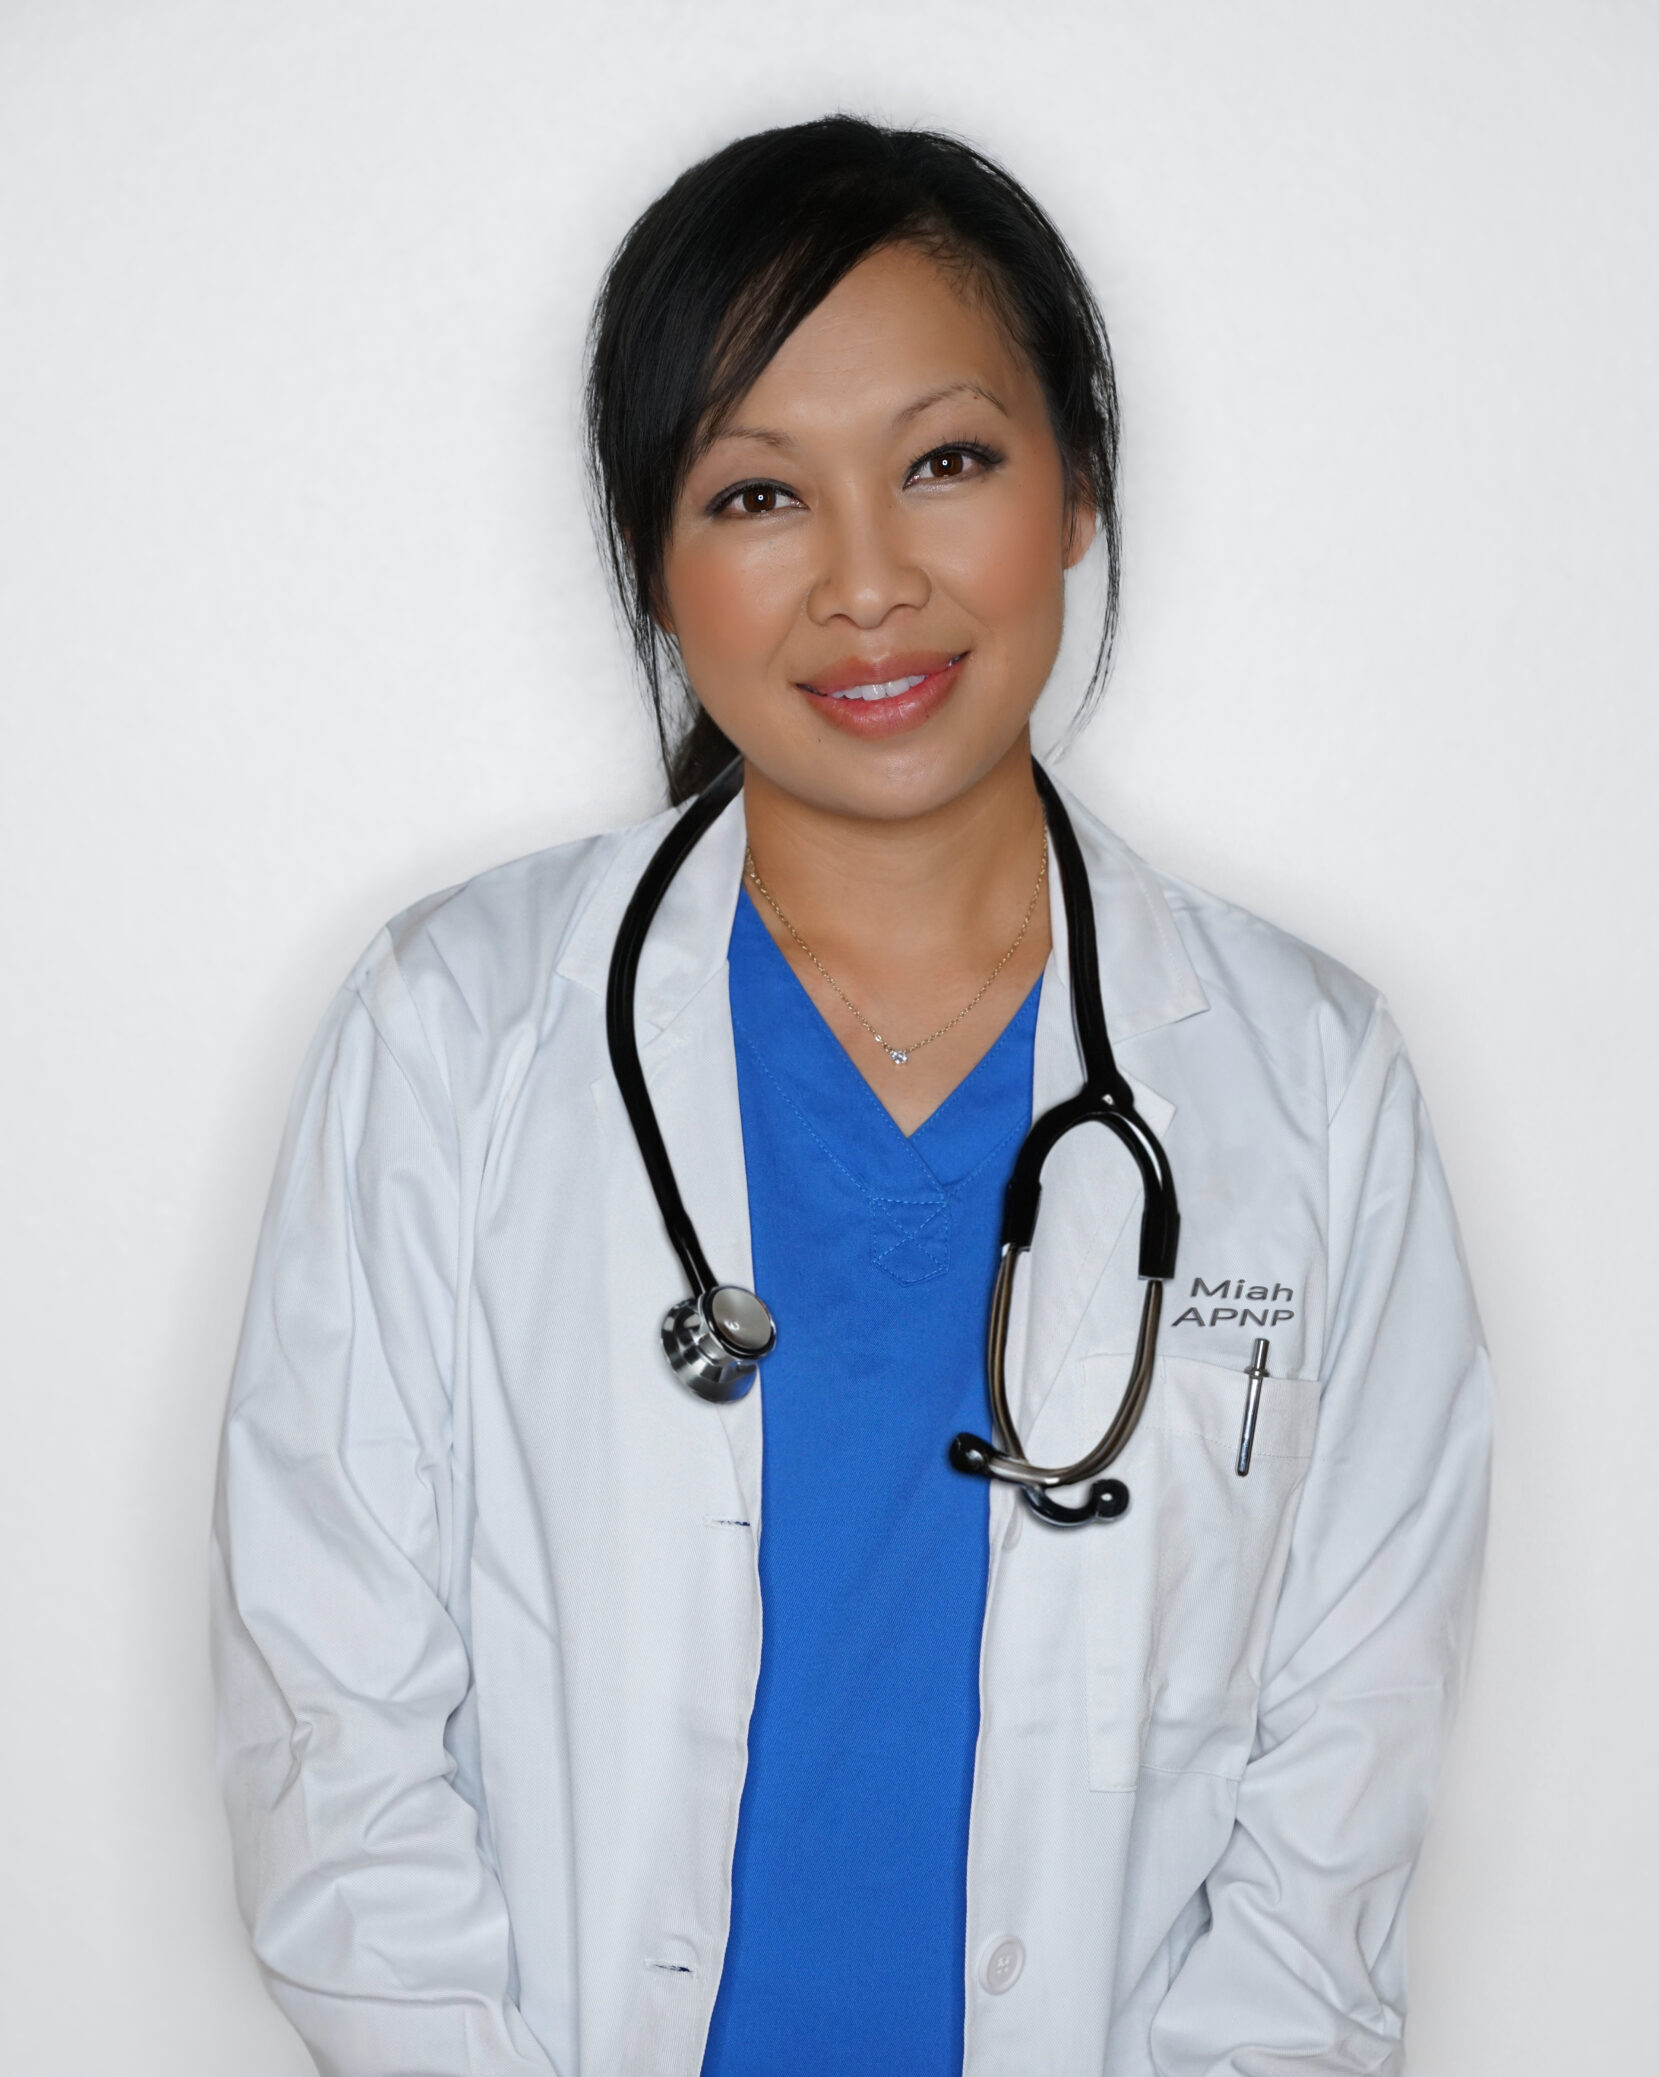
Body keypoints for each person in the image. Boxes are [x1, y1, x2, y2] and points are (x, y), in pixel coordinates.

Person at [212, 116, 1492, 2077]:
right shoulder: (453, 1029)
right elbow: (332, 1710)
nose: (868, 582)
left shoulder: (1307, 1077)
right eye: (754, 496)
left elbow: (1347, 1758)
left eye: (947, 461)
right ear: (652, 559)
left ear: (1076, 485)